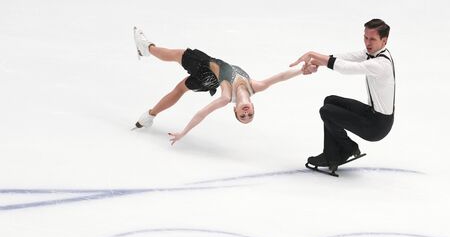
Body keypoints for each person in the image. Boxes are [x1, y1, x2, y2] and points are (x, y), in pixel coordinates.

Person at [132, 27, 313, 145]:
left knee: (176, 54)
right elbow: (281, 77)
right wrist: (301, 71)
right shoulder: (255, 86)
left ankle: (146, 48)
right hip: (209, 81)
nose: (246, 112)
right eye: (249, 114)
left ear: (235, 111)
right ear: (253, 107)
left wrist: (183, 133)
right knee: (180, 89)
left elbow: (202, 113)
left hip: (205, 66)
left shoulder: (227, 96)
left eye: (242, 116)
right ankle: (149, 116)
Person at [290, 19, 395, 172]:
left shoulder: (380, 64)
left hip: (377, 126)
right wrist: (317, 61)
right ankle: (337, 151)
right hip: (371, 114)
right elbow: (348, 57)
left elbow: (348, 68)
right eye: (365, 37)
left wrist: (313, 55)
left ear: (384, 41)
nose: (367, 42)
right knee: (330, 101)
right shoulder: (373, 53)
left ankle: (343, 149)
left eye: (372, 39)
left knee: (326, 111)